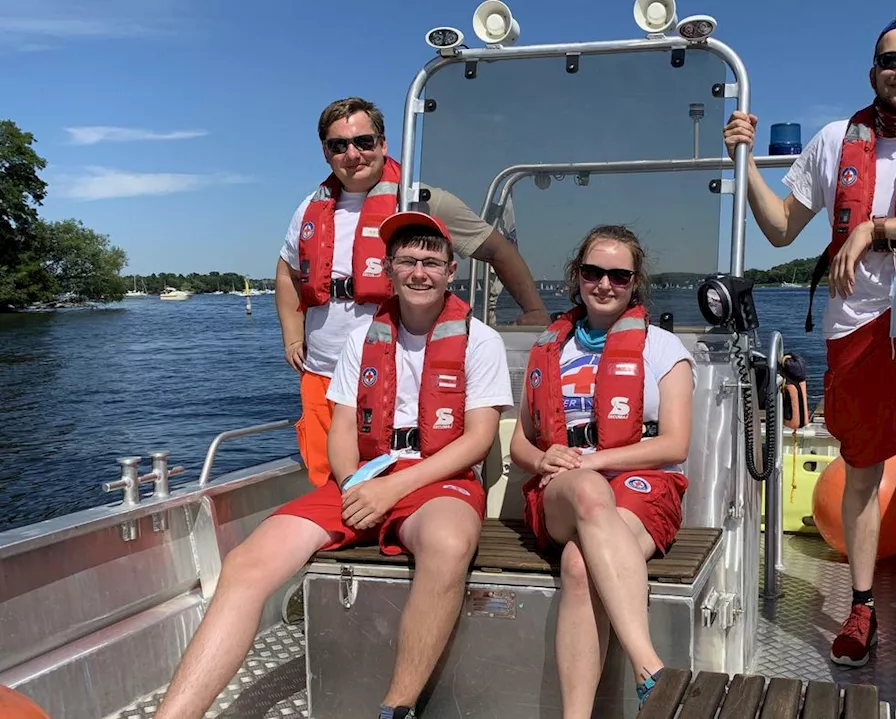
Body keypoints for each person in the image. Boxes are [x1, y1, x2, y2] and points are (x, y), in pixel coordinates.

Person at [722, 15, 896, 668]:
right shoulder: (832, 141)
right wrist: (741, 161)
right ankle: (860, 607)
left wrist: (876, 227)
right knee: (860, 472)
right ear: (873, 72)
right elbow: (778, 229)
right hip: (859, 323)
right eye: (891, 60)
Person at [157, 212, 513, 719]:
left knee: (448, 545)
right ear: (388, 268)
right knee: (245, 565)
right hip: (367, 476)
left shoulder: (481, 342)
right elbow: (342, 427)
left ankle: (396, 706)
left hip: (438, 477)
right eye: (407, 260)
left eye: (431, 262)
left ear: (451, 270)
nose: (419, 272)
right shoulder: (361, 339)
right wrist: (354, 484)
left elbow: (477, 439)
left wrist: (395, 490)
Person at [276, 96, 547, 489]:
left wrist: (535, 310)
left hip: (401, 370)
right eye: (339, 146)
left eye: (364, 142)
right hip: (323, 371)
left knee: (410, 476)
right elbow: (286, 270)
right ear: (326, 152)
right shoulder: (310, 208)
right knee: (327, 480)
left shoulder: (424, 201)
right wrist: (292, 334)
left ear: (384, 144)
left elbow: (498, 250)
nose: (353, 154)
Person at [509, 225, 695, 716]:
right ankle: (650, 666)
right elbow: (520, 442)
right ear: (577, 276)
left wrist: (600, 459)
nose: (605, 284)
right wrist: (542, 458)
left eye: (619, 275)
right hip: (562, 491)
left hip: (643, 483)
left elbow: (675, 443)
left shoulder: (663, 349)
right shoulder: (548, 349)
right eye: (593, 272)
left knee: (578, 564)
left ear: (636, 283)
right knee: (589, 490)